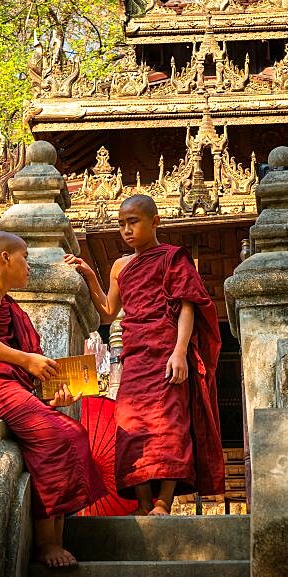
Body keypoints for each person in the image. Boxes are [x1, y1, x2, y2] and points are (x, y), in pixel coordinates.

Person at [0, 231, 106, 567]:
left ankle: (56, 536)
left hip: (3, 388)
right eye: (24, 256)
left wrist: (50, 398)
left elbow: (14, 368)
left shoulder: (9, 304)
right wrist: (27, 360)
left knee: (71, 431)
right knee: (57, 437)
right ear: (4, 257)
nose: (28, 265)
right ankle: (47, 545)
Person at [65, 195, 224, 516]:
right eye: (121, 224)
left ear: (155, 222)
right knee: (130, 425)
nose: (126, 230)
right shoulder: (121, 266)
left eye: (133, 222)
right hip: (135, 357)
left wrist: (180, 351)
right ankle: (145, 502)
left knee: (170, 425)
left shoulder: (171, 259)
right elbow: (109, 312)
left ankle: (164, 501)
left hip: (166, 352)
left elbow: (188, 306)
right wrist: (90, 276)